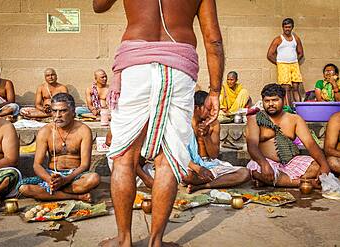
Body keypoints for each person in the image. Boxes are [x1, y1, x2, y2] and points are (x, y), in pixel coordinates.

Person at [93, 0, 224, 246]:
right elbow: (213, 40)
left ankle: (124, 241)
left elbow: (98, 5)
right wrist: (215, 91)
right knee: (168, 160)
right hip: (179, 67)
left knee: (123, 158)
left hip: (135, 65)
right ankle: (156, 242)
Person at [19, 93, 100, 201]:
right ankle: (77, 196)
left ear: (73, 112)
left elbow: (85, 165)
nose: (57, 115)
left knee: (93, 179)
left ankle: (52, 194)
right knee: (24, 188)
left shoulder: (83, 130)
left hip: (74, 176)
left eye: (63, 111)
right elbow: (37, 165)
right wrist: (50, 180)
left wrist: (65, 180)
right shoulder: (45, 131)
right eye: (54, 111)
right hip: (52, 175)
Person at [246, 84, 330, 187]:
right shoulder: (254, 119)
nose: (271, 104)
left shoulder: (295, 119)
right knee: (255, 169)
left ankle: (277, 182)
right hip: (265, 162)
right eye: (267, 101)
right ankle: (305, 182)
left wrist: (324, 165)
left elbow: (310, 144)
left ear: (284, 100)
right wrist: (264, 164)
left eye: (275, 100)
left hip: (290, 163)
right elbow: (252, 146)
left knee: (318, 166)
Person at [184, 91, 250, 193]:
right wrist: (197, 168)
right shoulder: (184, 123)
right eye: (209, 109)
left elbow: (214, 155)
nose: (212, 113)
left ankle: (203, 186)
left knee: (245, 173)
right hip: (190, 166)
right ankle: (215, 181)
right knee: (186, 175)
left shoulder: (213, 124)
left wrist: (206, 137)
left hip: (210, 166)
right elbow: (178, 153)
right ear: (196, 107)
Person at [267, 18, 304, 106]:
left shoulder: (296, 38)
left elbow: (301, 53)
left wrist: (294, 60)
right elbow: (269, 54)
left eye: (289, 27)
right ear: (282, 27)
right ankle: (288, 108)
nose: (287, 29)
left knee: (295, 87)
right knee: (286, 88)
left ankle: (299, 108)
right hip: (283, 65)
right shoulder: (278, 39)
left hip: (294, 64)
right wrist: (279, 63)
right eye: (285, 27)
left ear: (292, 27)